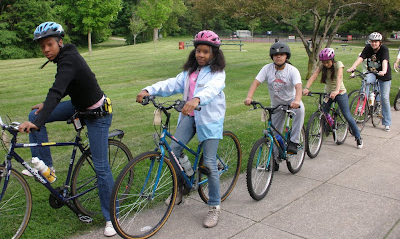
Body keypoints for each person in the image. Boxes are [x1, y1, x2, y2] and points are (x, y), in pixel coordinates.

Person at [18, 22, 116, 237]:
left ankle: (112, 218)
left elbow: (57, 89)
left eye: (49, 44)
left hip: (97, 115)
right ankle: (47, 168)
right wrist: (44, 110)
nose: (46, 50)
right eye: (42, 46)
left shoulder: (68, 60)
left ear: (60, 42)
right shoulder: (64, 58)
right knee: (35, 115)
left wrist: (40, 119)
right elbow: (66, 87)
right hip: (78, 106)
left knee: (101, 167)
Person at [136, 30, 226, 229]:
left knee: (209, 163)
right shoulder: (190, 72)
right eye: (198, 51)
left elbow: (212, 89)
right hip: (189, 116)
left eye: (205, 51)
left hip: (210, 119)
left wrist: (197, 99)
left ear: (214, 53)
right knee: (173, 151)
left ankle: (214, 206)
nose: (200, 55)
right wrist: (149, 89)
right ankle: (181, 188)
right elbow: (171, 84)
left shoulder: (218, 73)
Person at [244, 42, 305, 158]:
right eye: (276, 55)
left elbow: (298, 86)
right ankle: (275, 160)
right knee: (275, 134)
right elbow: (255, 83)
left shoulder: (292, 70)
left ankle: (294, 142)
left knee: (300, 111)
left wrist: (297, 100)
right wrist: (249, 97)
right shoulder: (267, 69)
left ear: (286, 56)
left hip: (291, 101)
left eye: (282, 54)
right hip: (276, 104)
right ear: (272, 57)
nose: (278, 57)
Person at [303, 48, 363, 148]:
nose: (326, 64)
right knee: (323, 111)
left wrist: (336, 90)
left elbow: (339, 77)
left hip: (340, 92)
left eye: (327, 62)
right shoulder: (322, 66)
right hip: (328, 93)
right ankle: (328, 127)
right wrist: (306, 88)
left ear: (332, 59)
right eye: (324, 62)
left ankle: (358, 137)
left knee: (347, 115)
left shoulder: (338, 64)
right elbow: (314, 75)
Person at [347, 32, 392, 132]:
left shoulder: (384, 49)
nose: (374, 44)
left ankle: (387, 122)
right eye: (372, 41)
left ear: (380, 42)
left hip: (384, 75)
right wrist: (352, 68)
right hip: (372, 72)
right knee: (365, 81)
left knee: (384, 98)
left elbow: (385, 60)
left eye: (376, 42)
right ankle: (362, 104)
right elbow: (361, 58)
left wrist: (384, 71)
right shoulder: (368, 48)